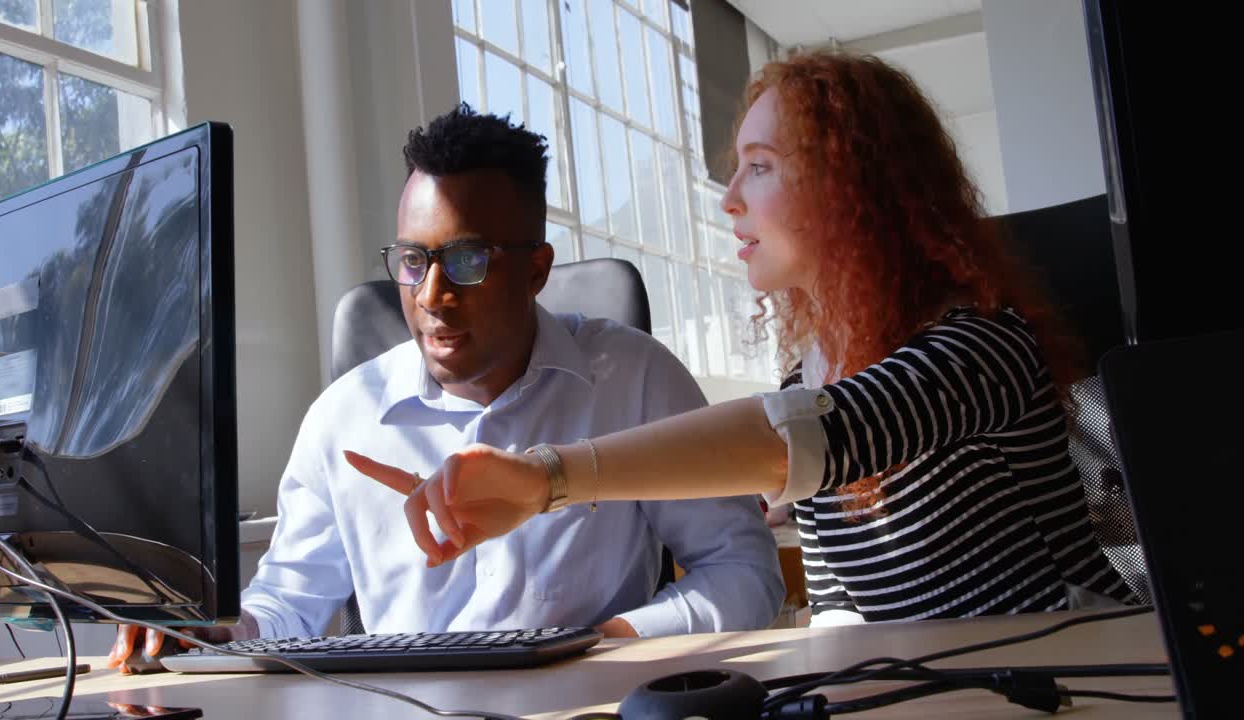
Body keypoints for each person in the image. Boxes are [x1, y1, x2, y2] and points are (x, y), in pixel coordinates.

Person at [351, 52, 1139, 626]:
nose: (728, 199)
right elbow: (842, 609)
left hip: (1072, 684)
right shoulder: (811, 369)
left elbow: (801, 438)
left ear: (855, 187)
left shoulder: (979, 350)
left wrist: (546, 477)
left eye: (758, 167)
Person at [107, 104, 784, 672]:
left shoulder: (634, 380)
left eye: (467, 260)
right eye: (413, 260)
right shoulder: (343, 418)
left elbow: (744, 574)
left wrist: (606, 643)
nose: (432, 294)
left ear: (537, 270)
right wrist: (211, 633)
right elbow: (289, 605)